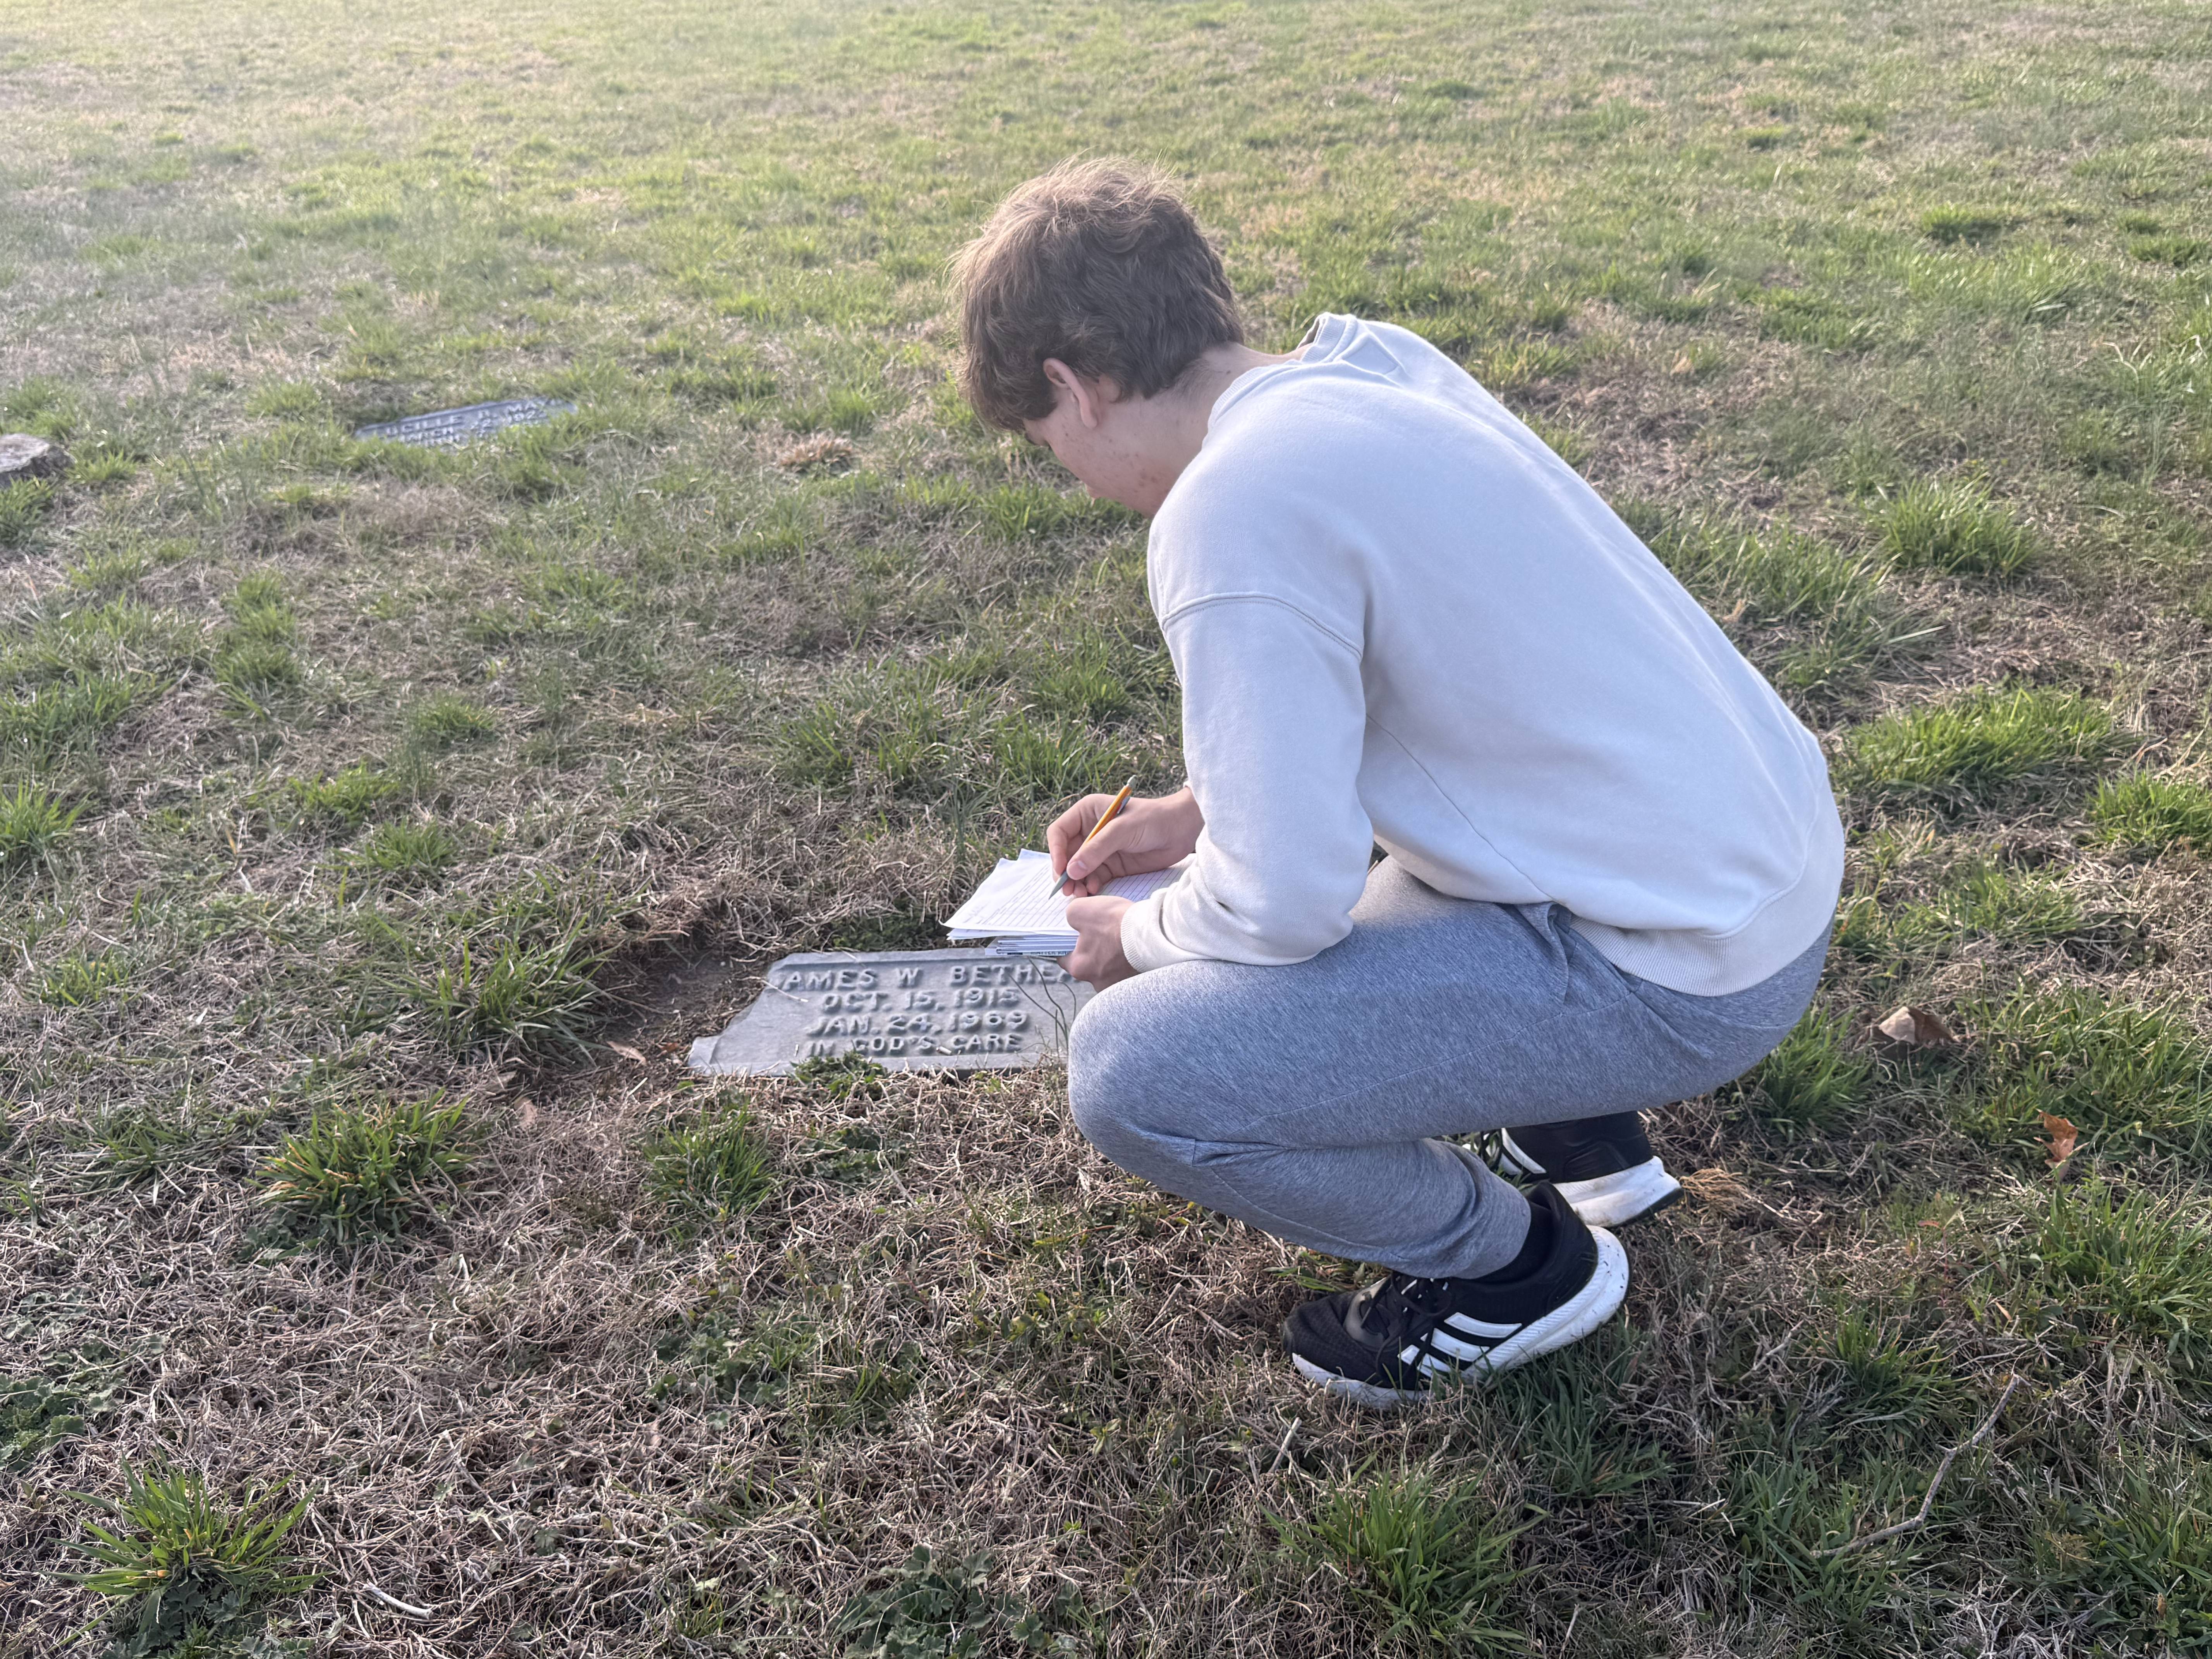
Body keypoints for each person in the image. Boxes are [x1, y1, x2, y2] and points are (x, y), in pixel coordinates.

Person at [951, 160, 1843, 1409]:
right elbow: (1439, 665)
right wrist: (1194, 809)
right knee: (1369, 888)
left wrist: (1135, 930)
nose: (1068, 471)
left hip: (1687, 970)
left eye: (1047, 445)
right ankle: (1574, 1117)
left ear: (1073, 385)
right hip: (1756, 868)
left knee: (1131, 1072)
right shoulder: (1372, 371)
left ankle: (1518, 1266)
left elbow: (1282, 906)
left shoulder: (1227, 509)